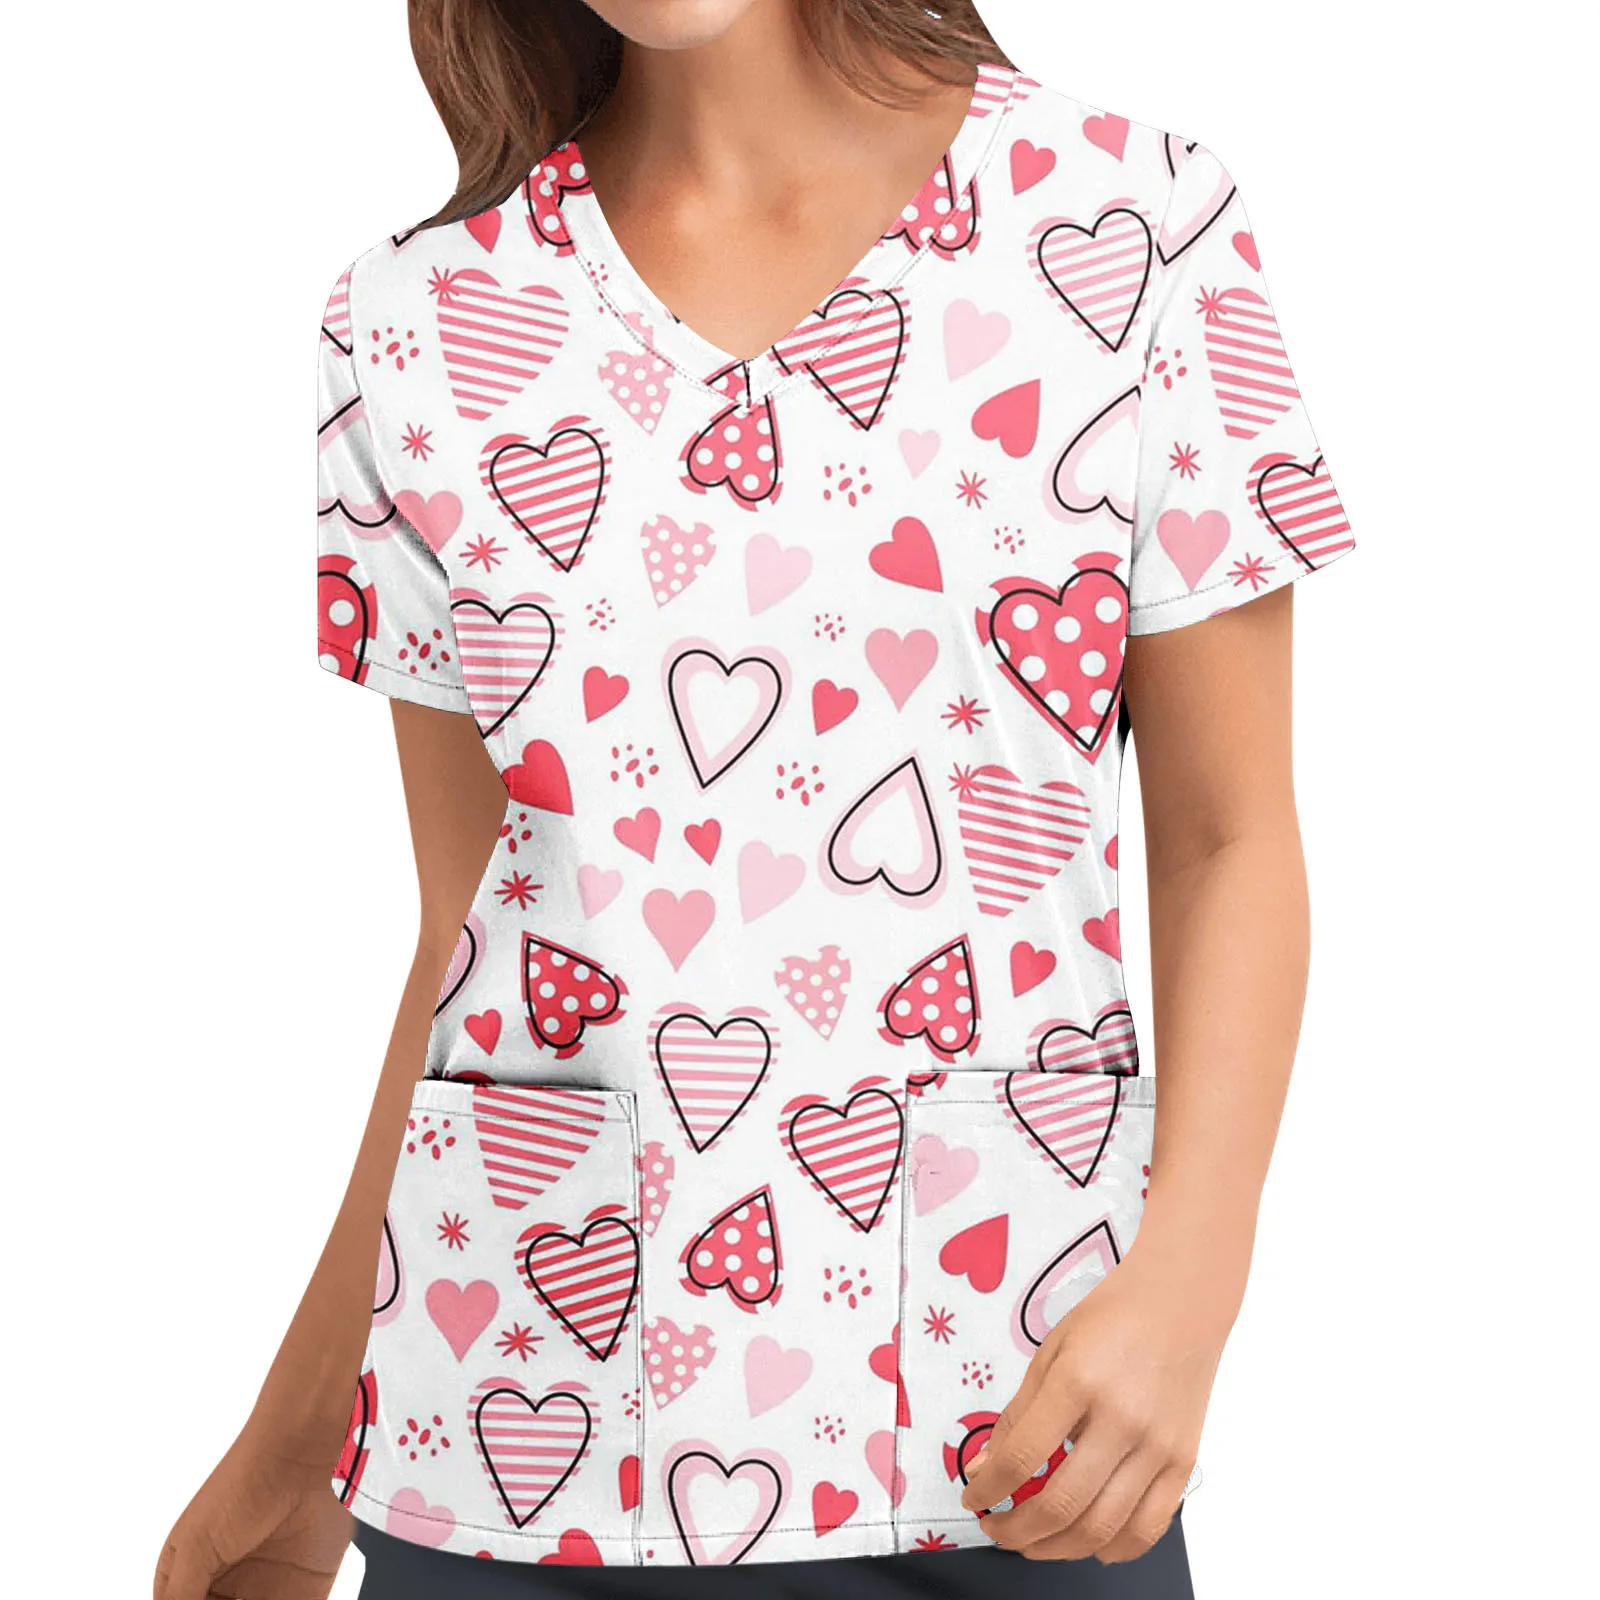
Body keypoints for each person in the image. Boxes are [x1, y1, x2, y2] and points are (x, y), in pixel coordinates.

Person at [155, 2, 1354, 1596]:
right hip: (516, 1471)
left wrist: (1193, 1281)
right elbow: (473, 943)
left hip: (1009, 1442)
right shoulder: (415, 321)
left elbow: (1229, 840)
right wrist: (297, 1446)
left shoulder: (1131, 225)